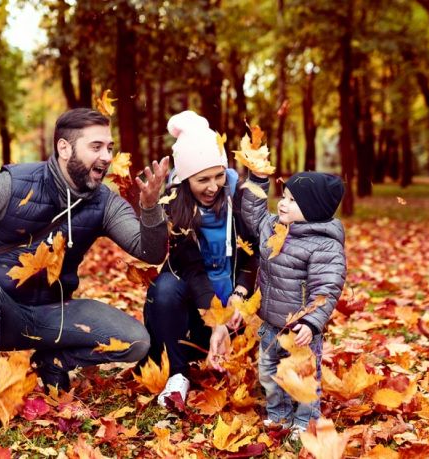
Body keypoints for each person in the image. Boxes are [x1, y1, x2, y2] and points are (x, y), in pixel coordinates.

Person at [0, 108, 170, 430]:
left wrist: (149, 208)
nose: (106, 156)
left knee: (136, 340)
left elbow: (148, 251)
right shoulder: (12, 185)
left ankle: (52, 361)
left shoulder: (104, 202)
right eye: (96, 147)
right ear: (64, 148)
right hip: (3, 313)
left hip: (56, 314)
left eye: (109, 147)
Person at [139, 110, 259, 407]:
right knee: (164, 288)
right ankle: (178, 374)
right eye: (202, 179)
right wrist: (215, 316)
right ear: (184, 179)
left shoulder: (239, 197)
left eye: (219, 175)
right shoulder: (174, 208)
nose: (213, 186)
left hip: (235, 307)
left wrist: (240, 295)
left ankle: (241, 356)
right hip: (193, 308)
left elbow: (251, 254)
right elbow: (191, 269)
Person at [238, 169, 346, 440]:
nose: (282, 203)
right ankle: (279, 416)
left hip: (301, 331)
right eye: (283, 196)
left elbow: (327, 289)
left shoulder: (324, 246)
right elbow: (252, 215)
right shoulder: (274, 227)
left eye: (292, 200)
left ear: (313, 209)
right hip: (271, 325)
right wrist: (258, 180)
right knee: (269, 373)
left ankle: (305, 421)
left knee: (304, 377)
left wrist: (312, 321)